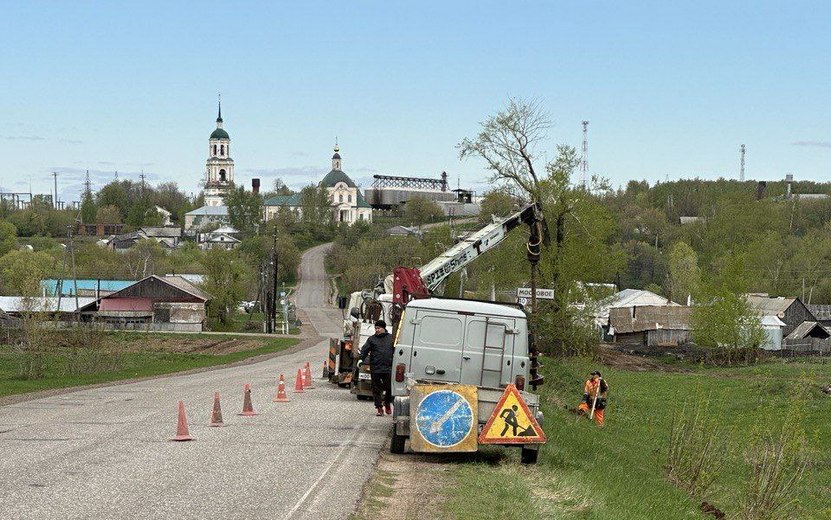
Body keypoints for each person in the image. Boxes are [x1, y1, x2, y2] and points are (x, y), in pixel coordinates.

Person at [358, 320, 394, 416]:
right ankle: (379, 408)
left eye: (379, 328)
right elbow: (365, 350)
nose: (377, 330)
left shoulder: (391, 338)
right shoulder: (372, 339)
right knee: (376, 389)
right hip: (376, 368)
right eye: (376, 328)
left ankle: (387, 403)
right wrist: (361, 359)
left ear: (384, 328)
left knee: (389, 388)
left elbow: (396, 349)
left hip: (388, 368)